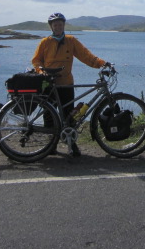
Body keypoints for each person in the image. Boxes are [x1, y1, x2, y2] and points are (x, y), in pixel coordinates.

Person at [31, 12, 108, 157]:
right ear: (51, 27)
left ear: (63, 25)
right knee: (49, 114)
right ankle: (50, 145)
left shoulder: (71, 41)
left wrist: (101, 63)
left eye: (60, 24)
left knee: (69, 116)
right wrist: (41, 71)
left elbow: (86, 56)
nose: (58, 27)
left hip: (66, 83)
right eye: (55, 25)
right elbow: (36, 60)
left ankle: (72, 144)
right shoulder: (45, 42)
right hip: (49, 83)